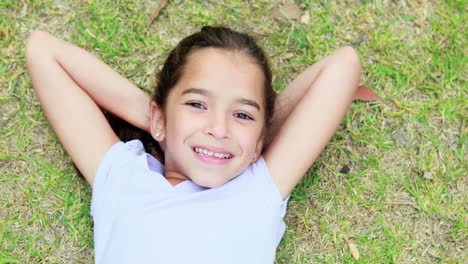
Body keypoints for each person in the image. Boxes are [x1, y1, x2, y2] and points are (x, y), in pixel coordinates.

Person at [25, 26, 378, 264]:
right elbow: (43, 50)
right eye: (197, 105)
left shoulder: (257, 189)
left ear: (260, 141)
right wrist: (158, 117)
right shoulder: (122, 178)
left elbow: (343, 65)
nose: (219, 128)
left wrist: (254, 137)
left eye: (242, 115)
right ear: (159, 118)